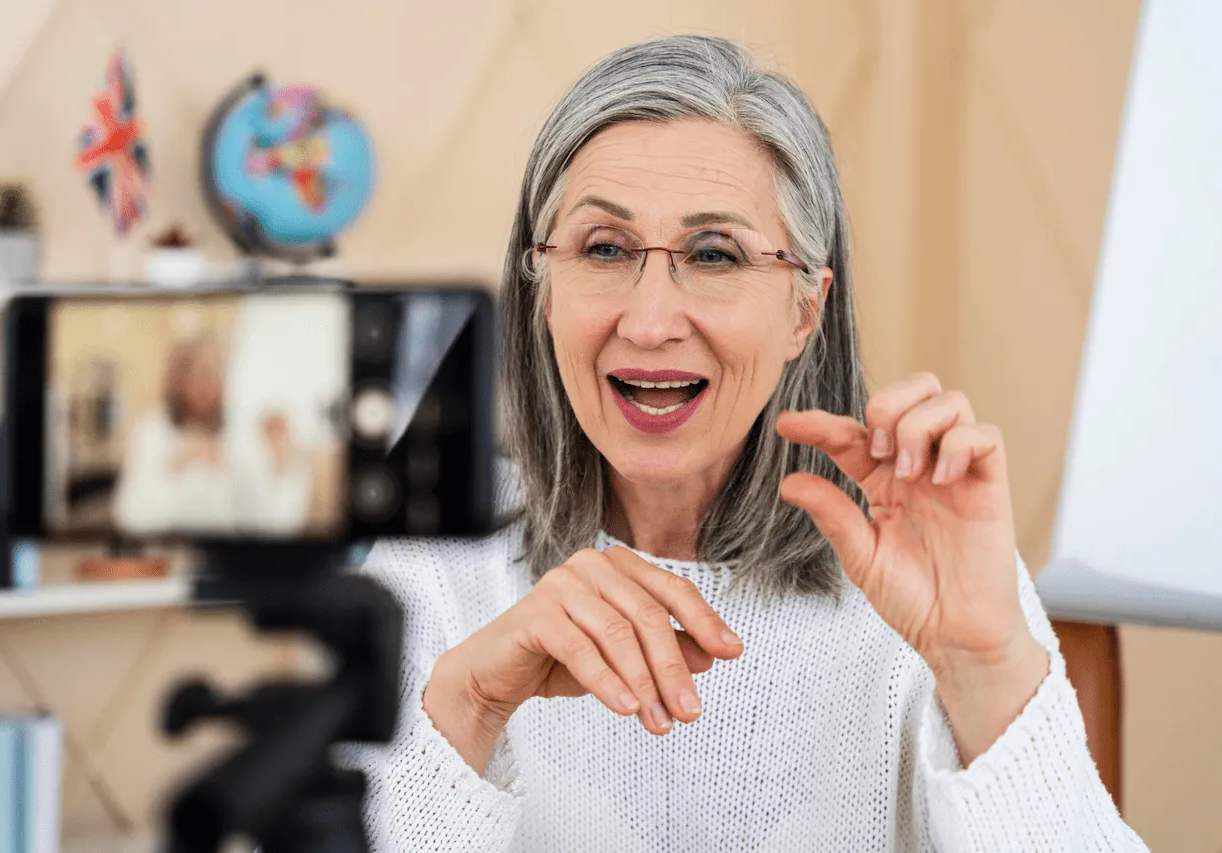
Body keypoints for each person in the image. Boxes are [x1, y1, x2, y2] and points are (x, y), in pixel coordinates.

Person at [344, 36, 1149, 851]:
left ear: (805, 310)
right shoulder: (435, 559)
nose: (650, 321)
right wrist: (469, 706)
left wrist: (986, 666)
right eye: (605, 249)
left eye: (714, 254)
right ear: (542, 288)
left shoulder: (921, 571)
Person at [112, 332, 313, 537]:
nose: (211, 385)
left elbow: (270, 521)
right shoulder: (153, 430)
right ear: (178, 380)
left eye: (216, 374)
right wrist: (179, 462)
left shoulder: (241, 434)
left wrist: (280, 461)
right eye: (201, 375)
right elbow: (130, 517)